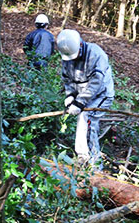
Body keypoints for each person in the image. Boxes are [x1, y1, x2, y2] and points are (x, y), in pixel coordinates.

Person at [57, 29, 114, 171]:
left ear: (81, 45)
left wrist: (80, 102)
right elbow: (67, 79)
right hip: (83, 95)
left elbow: (97, 81)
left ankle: (95, 164)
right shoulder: (68, 55)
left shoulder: (96, 54)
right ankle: (83, 156)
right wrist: (70, 95)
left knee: (87, 119)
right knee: (82, 119)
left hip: (102, 94)